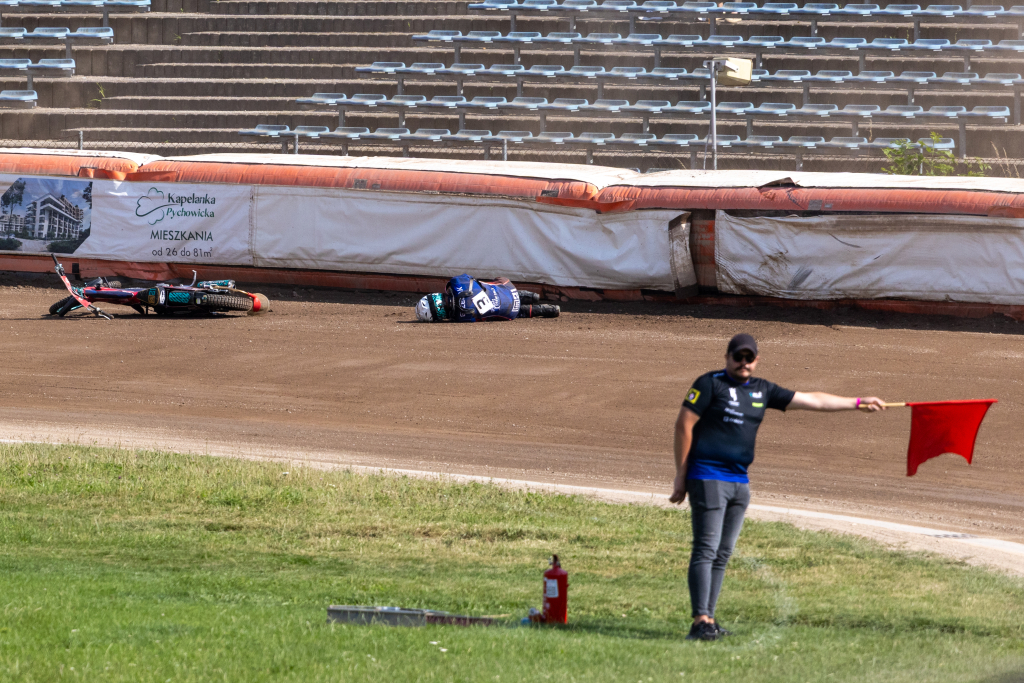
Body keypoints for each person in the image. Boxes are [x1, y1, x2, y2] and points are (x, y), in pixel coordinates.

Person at [670, 333, 886, 642]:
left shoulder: (763, 390)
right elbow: (683, 425)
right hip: (708, 477)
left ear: (756, 360)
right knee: (706, 548)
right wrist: (682, 474)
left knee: (723, 552)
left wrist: (856, 402)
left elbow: (814, 400)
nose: (743, 363)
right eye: (737, 357)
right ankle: (699, 620)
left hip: (739, 482)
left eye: (749, 358)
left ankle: (710, 618)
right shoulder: (709, 384)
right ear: (727, 357)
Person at [415, 273, 560, 322]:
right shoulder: (456, 282)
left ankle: (546, 310)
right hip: (509, 287)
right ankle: (532, 296)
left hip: (512, 312)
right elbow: (469, 278)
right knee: (490, 285)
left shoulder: (460, 318)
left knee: (493, 312)